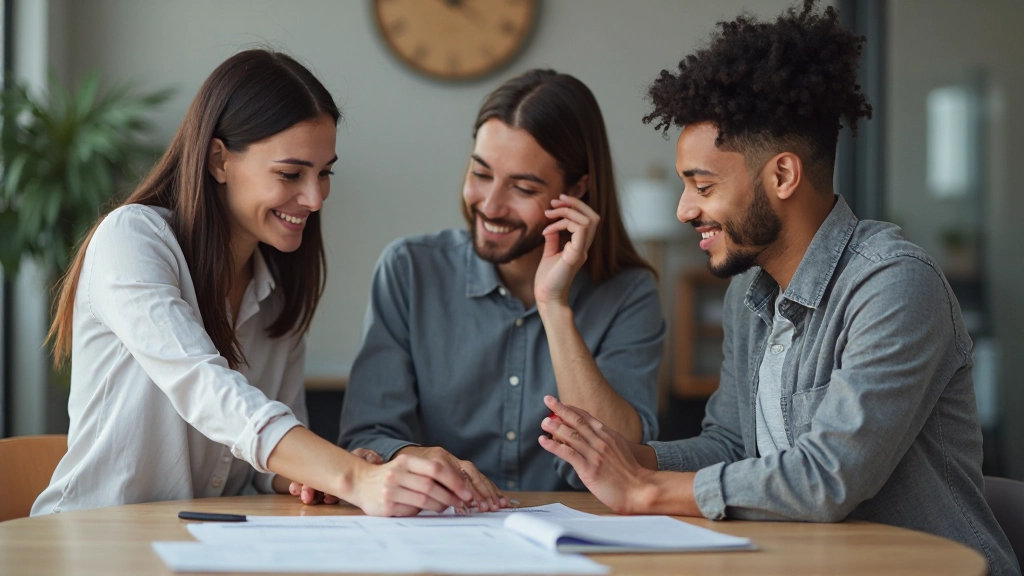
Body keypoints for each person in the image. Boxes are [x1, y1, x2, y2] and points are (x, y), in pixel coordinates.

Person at [536, 3, 1020, 575]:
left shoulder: (894, 286)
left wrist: (645, 490)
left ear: (783, 176)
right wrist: (626, 459)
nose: (685, 208)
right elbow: (732, 447)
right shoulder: (750, 294)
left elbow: (828, 476)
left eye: (703, 185)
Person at [33, 49, 473, 518]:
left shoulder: (276, 290)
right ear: (219, 160)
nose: (315, 198)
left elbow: (262, 461)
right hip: (95, 541)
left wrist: (323, 472)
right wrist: (353, 478)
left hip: (201, 540)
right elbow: (206, 389)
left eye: (324, 174)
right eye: (290, 173)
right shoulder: (133, 239)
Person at [329, 69, 665, 510]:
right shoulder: (410, 269)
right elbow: (367, 435)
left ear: (577, 189)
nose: (490, 205)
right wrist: (423, 460)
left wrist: (553, 304)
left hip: (576, 537)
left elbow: (619, 457)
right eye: (481, 173)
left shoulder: (629, 293)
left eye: (523, 187)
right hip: (441, 530)